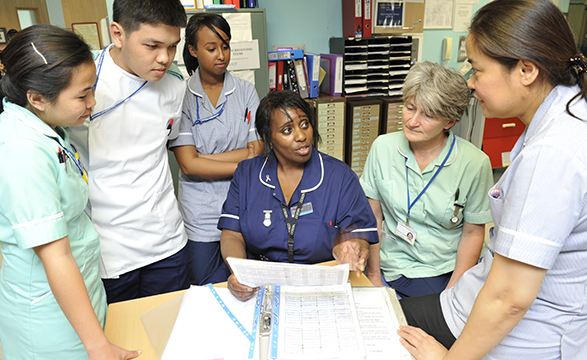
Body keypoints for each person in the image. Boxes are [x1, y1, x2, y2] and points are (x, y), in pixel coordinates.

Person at [397, 1, 587, 359]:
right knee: (384, 315)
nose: (470, 83)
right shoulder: (563, 118)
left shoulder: (554, 151)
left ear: (526, 70)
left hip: (523, 334)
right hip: (470, 299)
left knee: (380, 333)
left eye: (477, 69)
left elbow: (508, 300)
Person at [0, 25, 139, 359]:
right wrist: (99, 346)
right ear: (37, 98)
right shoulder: (19, 150)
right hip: (47, 315)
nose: (92, 102)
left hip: (78, 294)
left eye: (92, 89)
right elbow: (54, 254)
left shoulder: (45, 128)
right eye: (82, 95)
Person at [66, 0, 189, 303]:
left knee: (168, 337)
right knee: (121, 339)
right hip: (109, 248)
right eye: (152, 45)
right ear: (117, 34)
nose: (164, 58)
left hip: (167, 240)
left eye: (173, 46)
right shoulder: (81, 79)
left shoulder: (175, 85)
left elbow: (166, 142)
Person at [219, 90, 379, 300]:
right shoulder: (247, 174)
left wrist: (352, 247)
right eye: (287, 130)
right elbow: (231, 234)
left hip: (320, 282)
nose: (301, 136)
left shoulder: (340, 176)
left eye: (304, 124)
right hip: (261, 283)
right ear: (268, 137)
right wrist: (239, 273)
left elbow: (358, 235)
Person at [360, 61, 493, 297]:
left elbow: (473, 233)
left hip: (448, 269)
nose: (412, 121)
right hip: (395, 265)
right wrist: (373, 277)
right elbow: (372, 217)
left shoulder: (475, 163)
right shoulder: (382, 148)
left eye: (428, 115)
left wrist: (453, 293)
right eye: (410, 108)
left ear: (449, 122)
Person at [170, 13, 263, 286]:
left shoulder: (245, 91)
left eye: (226, 46)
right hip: (200, 214)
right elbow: (188, 165)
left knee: (245, 284)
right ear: (193, 51)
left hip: (243, 206)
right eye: (211, 48)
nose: (221, 55)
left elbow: (256, 151)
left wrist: (202, 158)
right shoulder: (182, 96)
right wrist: (242, 161)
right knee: (205, 288)